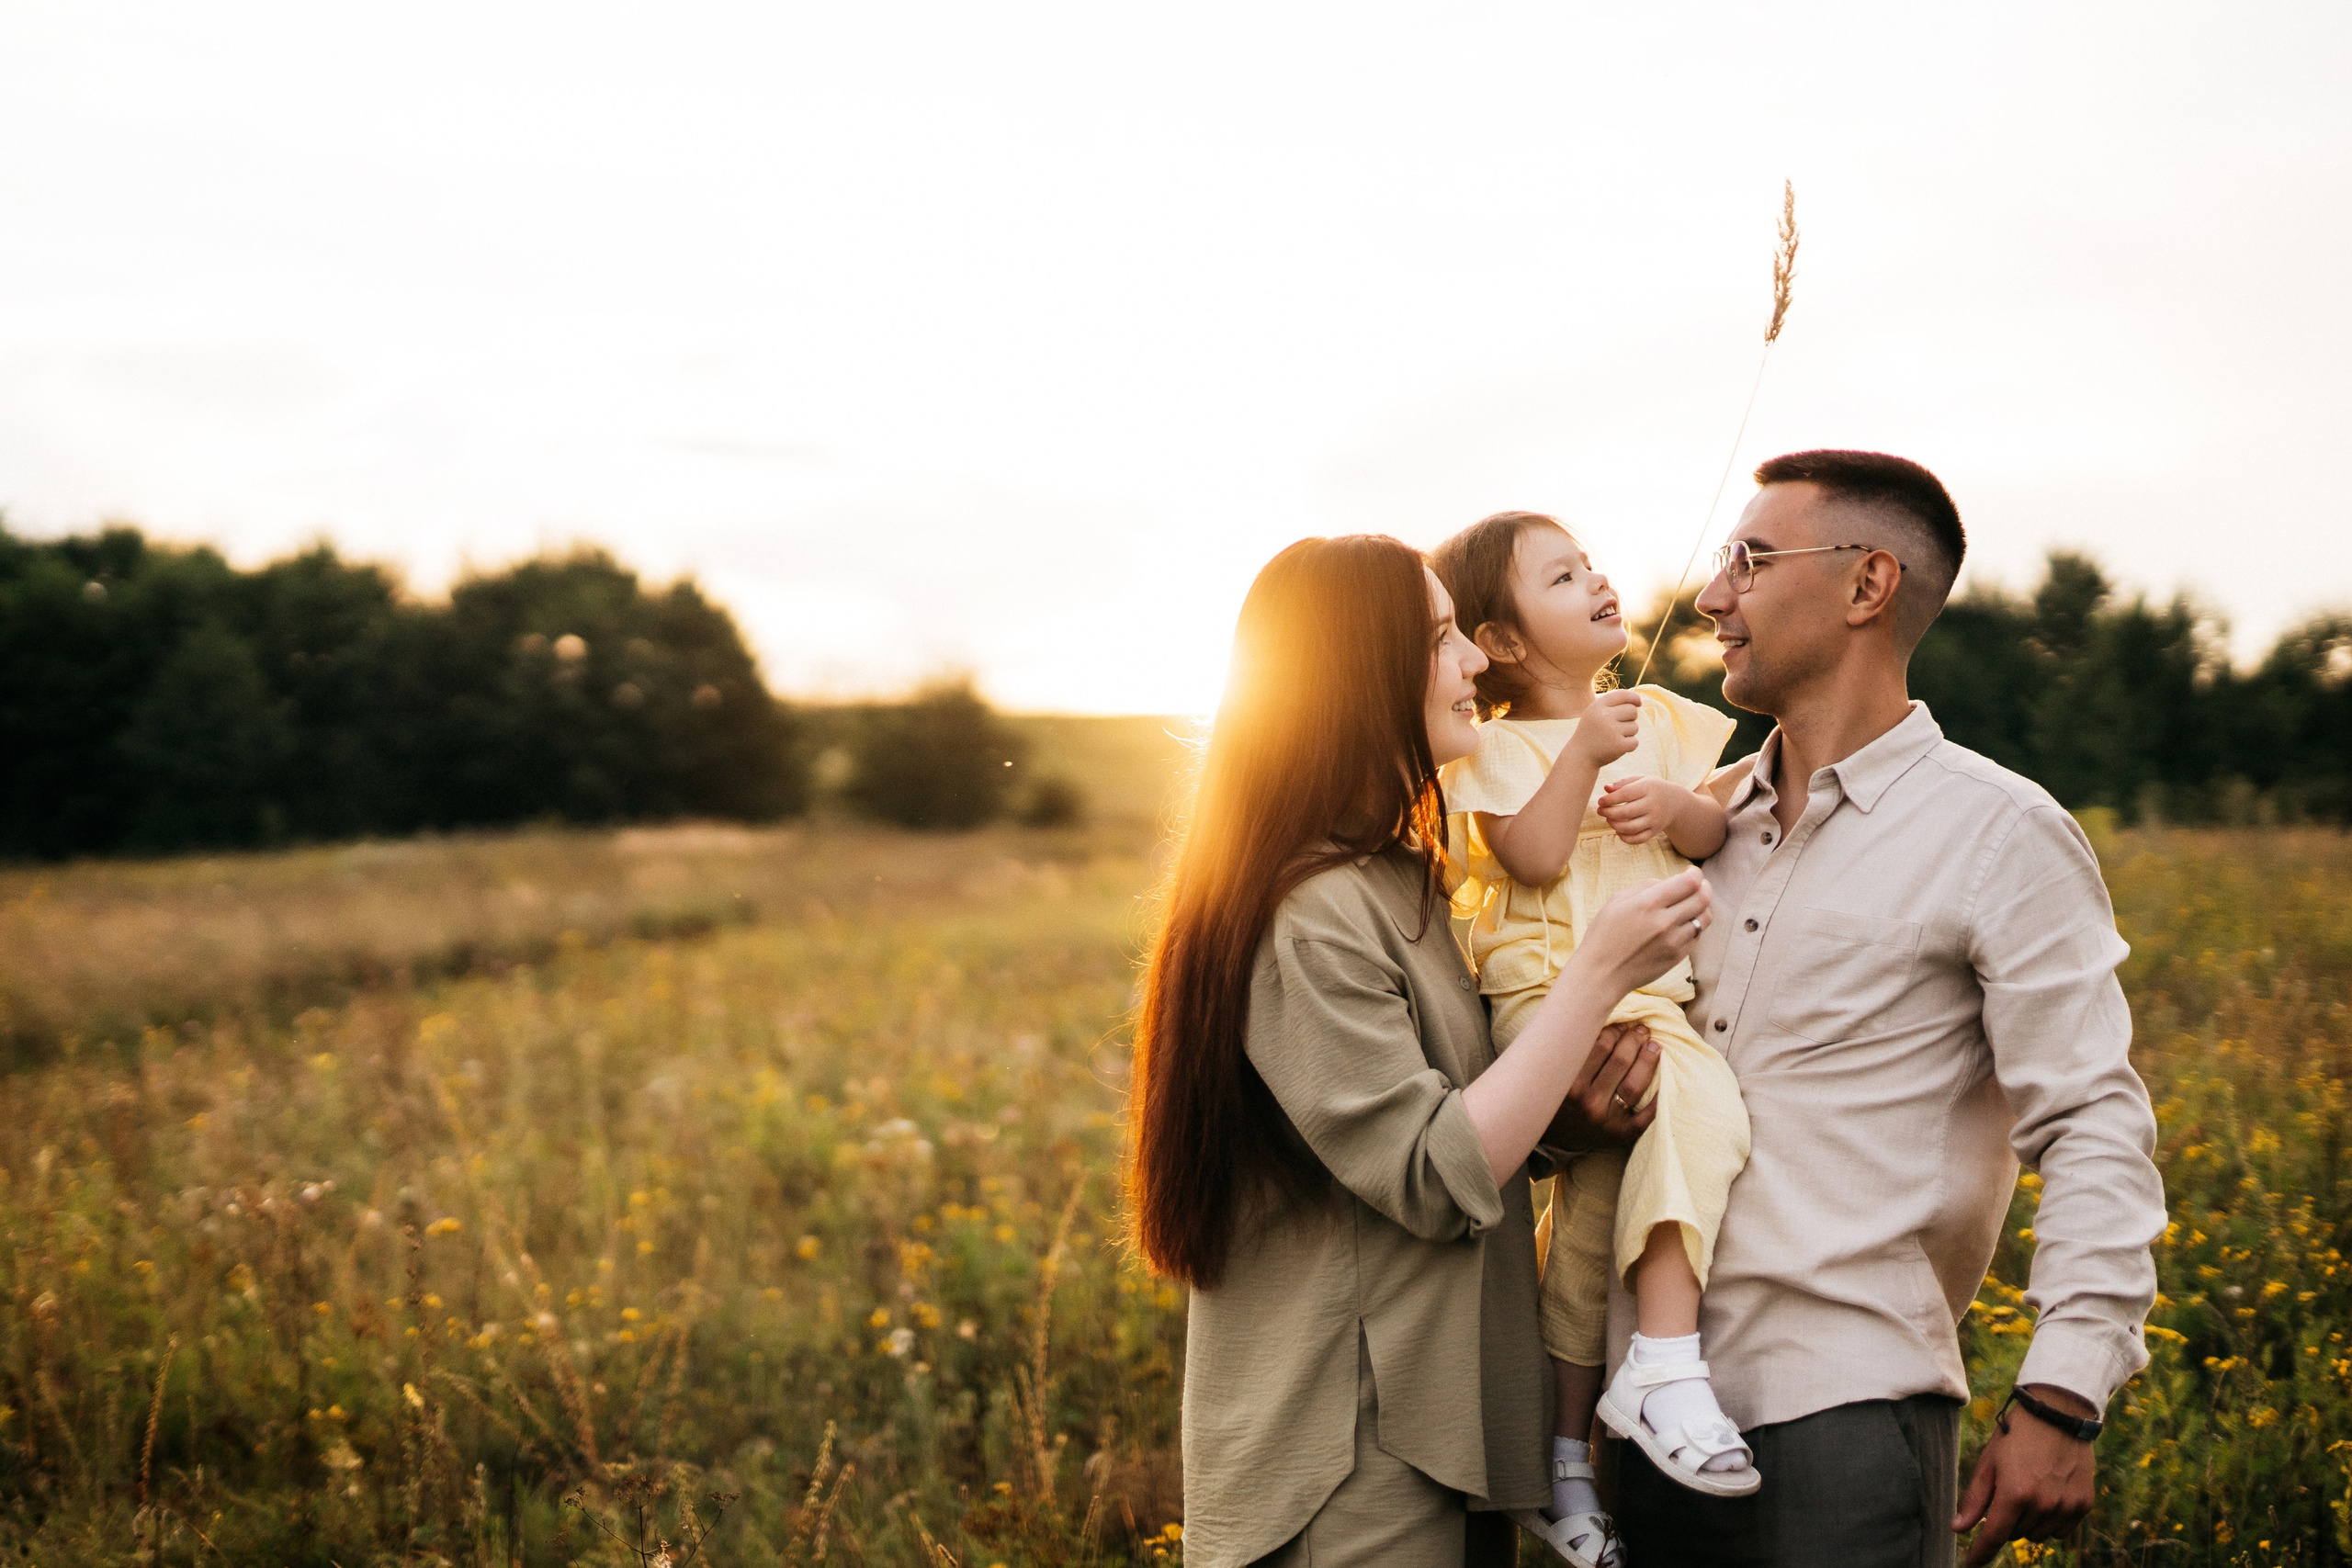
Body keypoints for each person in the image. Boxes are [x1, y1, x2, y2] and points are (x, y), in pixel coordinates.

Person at [1610, 450, 2165, 1567]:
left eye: (1751, 561)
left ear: (1868, 586)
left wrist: (2061, 1396)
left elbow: (2095, 1120)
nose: (1715, 595)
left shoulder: (2002, 834)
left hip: (1847, 1421)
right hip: (1642, 1419)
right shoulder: (1688, 822)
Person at [1125, 534, 1713, 1568]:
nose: (1476, 665)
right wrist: (1592, 981)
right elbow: (1436, 1176)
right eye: (1444, 640)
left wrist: (1565, 1126)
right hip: (1343, 1461)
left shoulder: (1402, 881)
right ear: (1361, 678)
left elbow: (1448, 1125)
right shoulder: (1308, 911)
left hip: (1439, 1443)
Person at [1429, 512, 1757, 1568]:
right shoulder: (1492, 746)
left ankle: (1562, 1458)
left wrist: (1669, 800)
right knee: (1709, 1107)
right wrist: (1578, 757)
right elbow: (1523, 855)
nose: (1599, 582)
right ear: (1506, 642)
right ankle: (1664, 1357)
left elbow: (1709, 833)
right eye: (1563, 578)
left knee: (1585, 1231)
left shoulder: (1657, 713)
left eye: (1591, 566)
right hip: (1552, 1004)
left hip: (1649, 998)